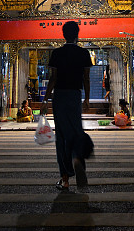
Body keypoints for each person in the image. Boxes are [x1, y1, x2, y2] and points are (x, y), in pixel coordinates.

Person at [42, 20, 94, 190]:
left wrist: (45, 100)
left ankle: (65, 179)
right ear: (77, 35)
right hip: (75, 95)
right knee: (76, 132)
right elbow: (86, 78)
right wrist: (87, 99)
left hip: (59, 96)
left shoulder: (57, 53)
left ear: (63, 35)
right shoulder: (83, 53)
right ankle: (77, 159)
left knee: (62, 137)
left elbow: (53, 78)